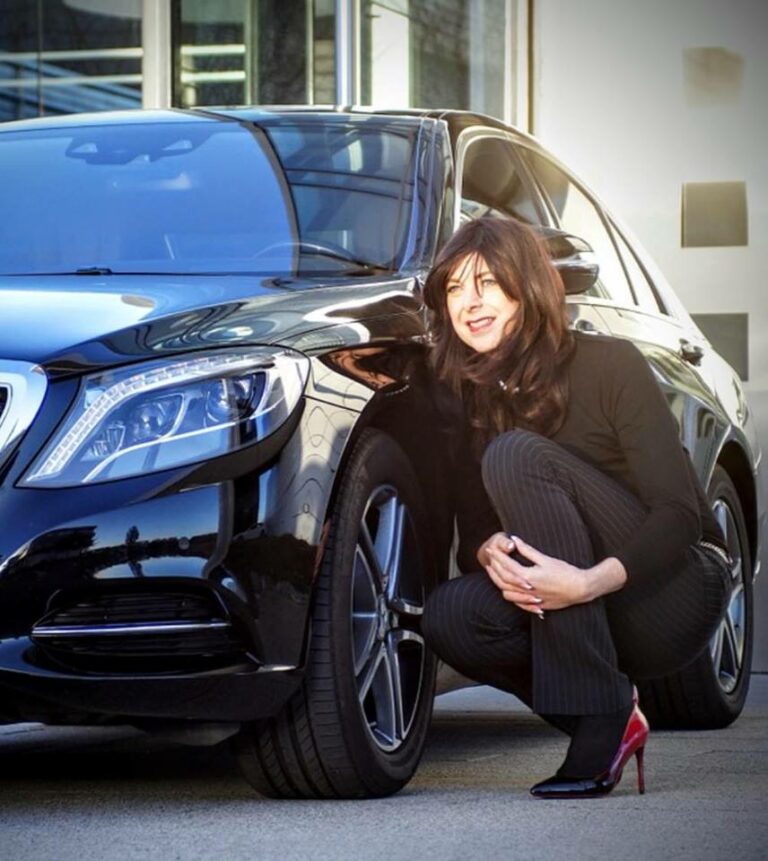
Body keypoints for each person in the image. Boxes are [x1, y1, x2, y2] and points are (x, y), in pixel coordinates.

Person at [420, 217, 732, 799]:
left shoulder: (611, 364)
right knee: (449, 617)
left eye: (487, 282)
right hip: (580, 617)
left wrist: (587, 583)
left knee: (515, 455)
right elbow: (476, 525)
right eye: (455, 288)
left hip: (671, 593)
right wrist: (487, 548)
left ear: (527, 285)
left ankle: (597, 731)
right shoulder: (468, 391)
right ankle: (606, 712)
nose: (469, 303)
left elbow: (679, 514)